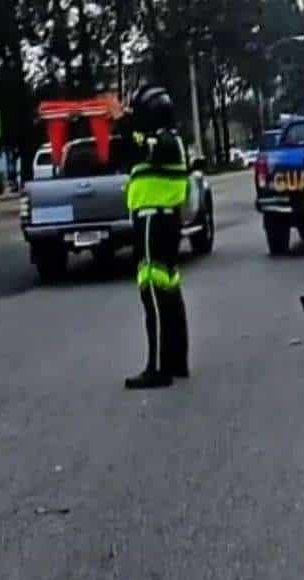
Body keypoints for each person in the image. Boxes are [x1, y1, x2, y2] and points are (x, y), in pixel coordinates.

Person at [122, 85, 190, 389]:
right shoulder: (168, 140)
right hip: (160, 220)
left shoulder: (164, 142)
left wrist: (124, 122)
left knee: (153, 291)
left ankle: (159, 368)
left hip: (154, 220)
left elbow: (137, 143)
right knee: (168, 291)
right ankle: (176, 361)